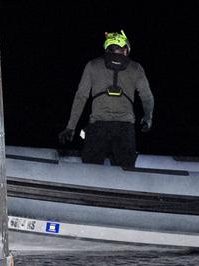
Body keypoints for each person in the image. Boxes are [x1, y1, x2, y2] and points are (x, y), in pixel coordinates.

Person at [59, 30, 154, 168]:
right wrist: (148, 117)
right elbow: (147, 98)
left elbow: (81, 97)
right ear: (125, 49)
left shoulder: (92, 65)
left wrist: (71, 127)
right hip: (125, 129)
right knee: (126, 173)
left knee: (90, 171)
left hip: (98, 128)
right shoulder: (136, 68)